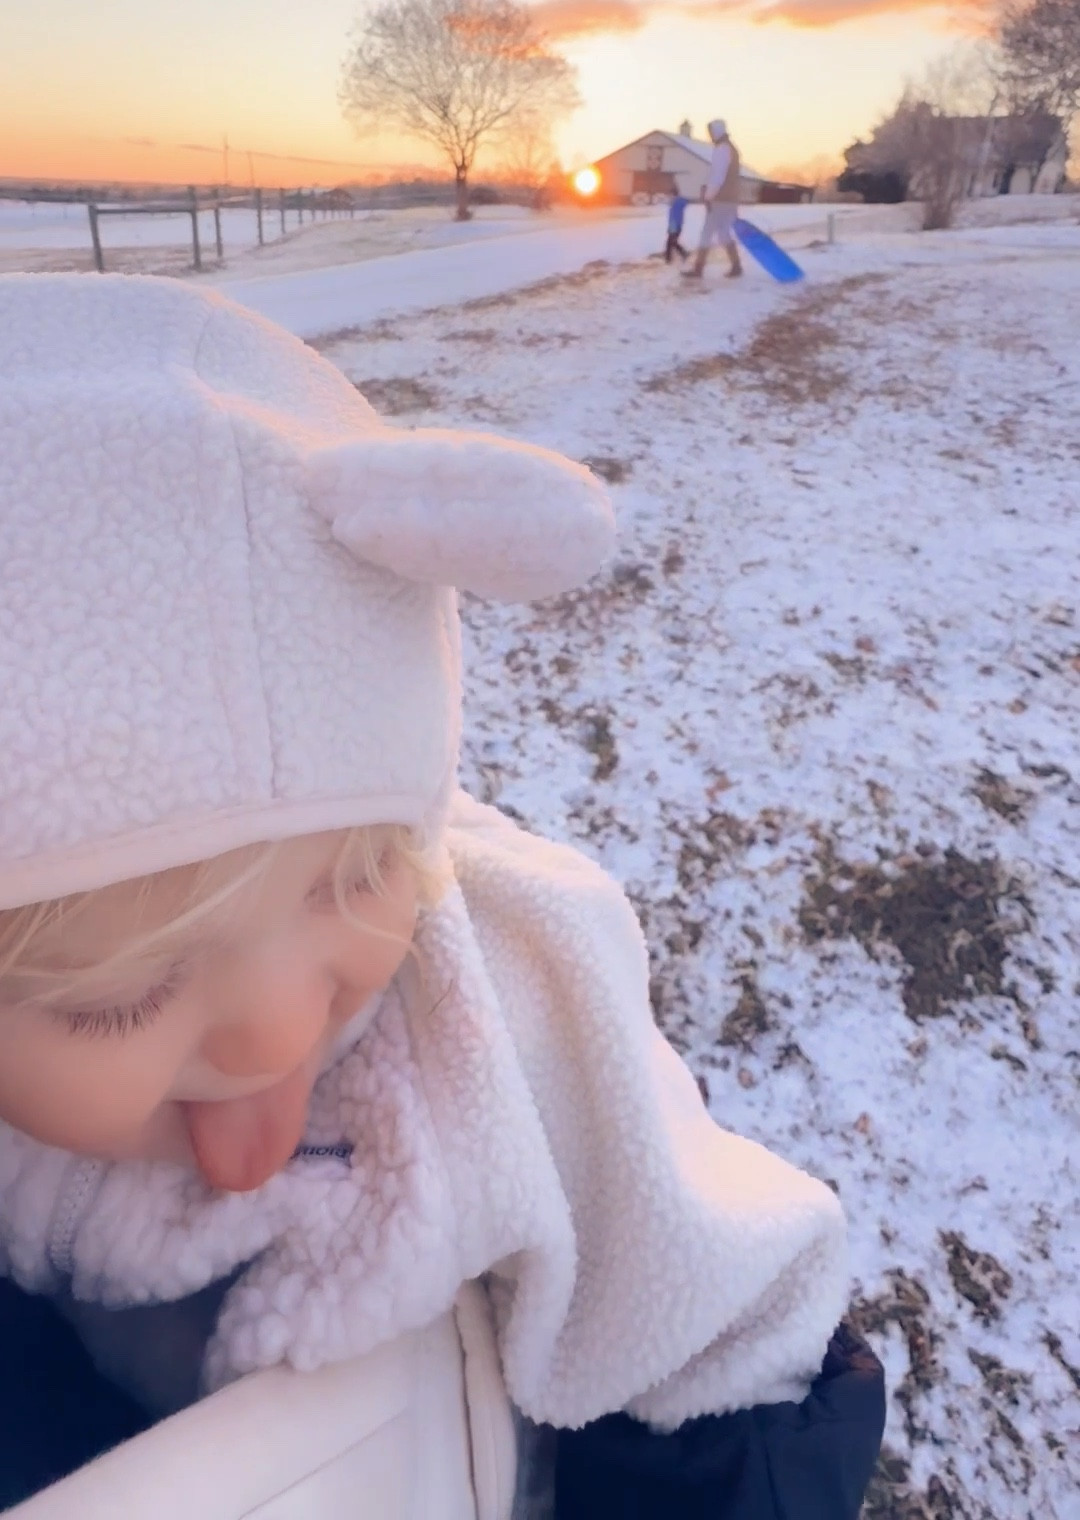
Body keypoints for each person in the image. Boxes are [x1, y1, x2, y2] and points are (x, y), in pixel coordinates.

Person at [0, 276, 884, 1518]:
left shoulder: (505, 1024)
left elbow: (727, 1341)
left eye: (359, 875)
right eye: (120, 998)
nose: (273, 1029)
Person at [684, 118, 743, 283]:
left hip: (720, 199)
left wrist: (708, 196)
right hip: (731, 198)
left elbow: (718, 176)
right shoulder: (731, 148)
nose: (709, 135)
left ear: (716, 132)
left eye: (710, 132)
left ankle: (698, 269)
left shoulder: (722, 149)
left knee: (706, 232)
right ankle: (736, 265)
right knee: (723, 233)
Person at [664, 188, 690, 263]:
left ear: (674, 194)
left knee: (672, 242)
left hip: (677, 225)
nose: (669, 196)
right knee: (670, 242)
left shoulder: (679, 201)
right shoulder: (673, 202)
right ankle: (668, 258)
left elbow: (685, 202)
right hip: (672, 225)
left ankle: (682, 254)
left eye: (670, 195)